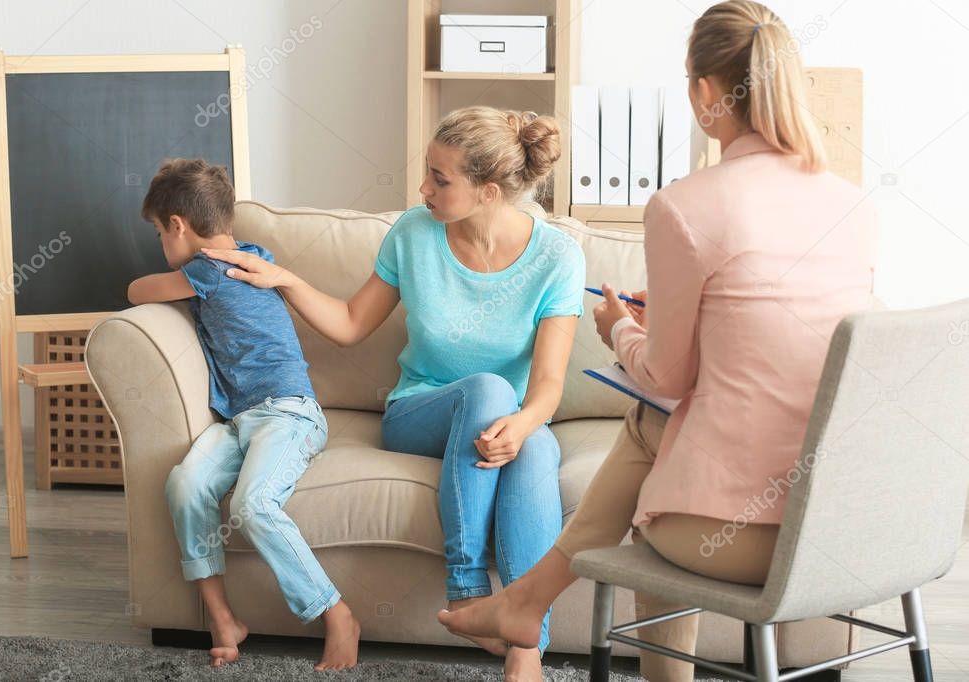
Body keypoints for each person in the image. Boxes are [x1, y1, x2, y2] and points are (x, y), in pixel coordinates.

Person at [436, 3, 877, 680]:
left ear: (704, 93)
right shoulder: (852, 202)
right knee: (660, 425)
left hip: (747, 540)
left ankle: (526, 602)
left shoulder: (685, 206)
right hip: (846, 520)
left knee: (650, 422)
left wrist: (621, 330)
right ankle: (525, 603)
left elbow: (666, 378)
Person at [203, 106, 587, 681]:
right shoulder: (414, 233)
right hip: (419, 413)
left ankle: (525, 649)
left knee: (535, 449)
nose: (423, 187)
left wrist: (527, 423)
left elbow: (549, 383)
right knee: (485, 390)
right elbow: (353, 322)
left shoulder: (556, 257)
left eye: (440, 178)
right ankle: (465, 592)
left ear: (487, 192)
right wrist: (286, 281)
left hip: (510, 422)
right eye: (427, 171)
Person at [127, 158, 360, 671]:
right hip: (238, 420)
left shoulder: (209, 269)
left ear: (178, 226)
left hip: (289, 413)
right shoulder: (252, 255)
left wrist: (173, 273)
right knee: (185, 484)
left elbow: (137, 292)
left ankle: (337, 613)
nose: (162, 248)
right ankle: (223, 618)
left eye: (159, 234)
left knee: (253, 505)